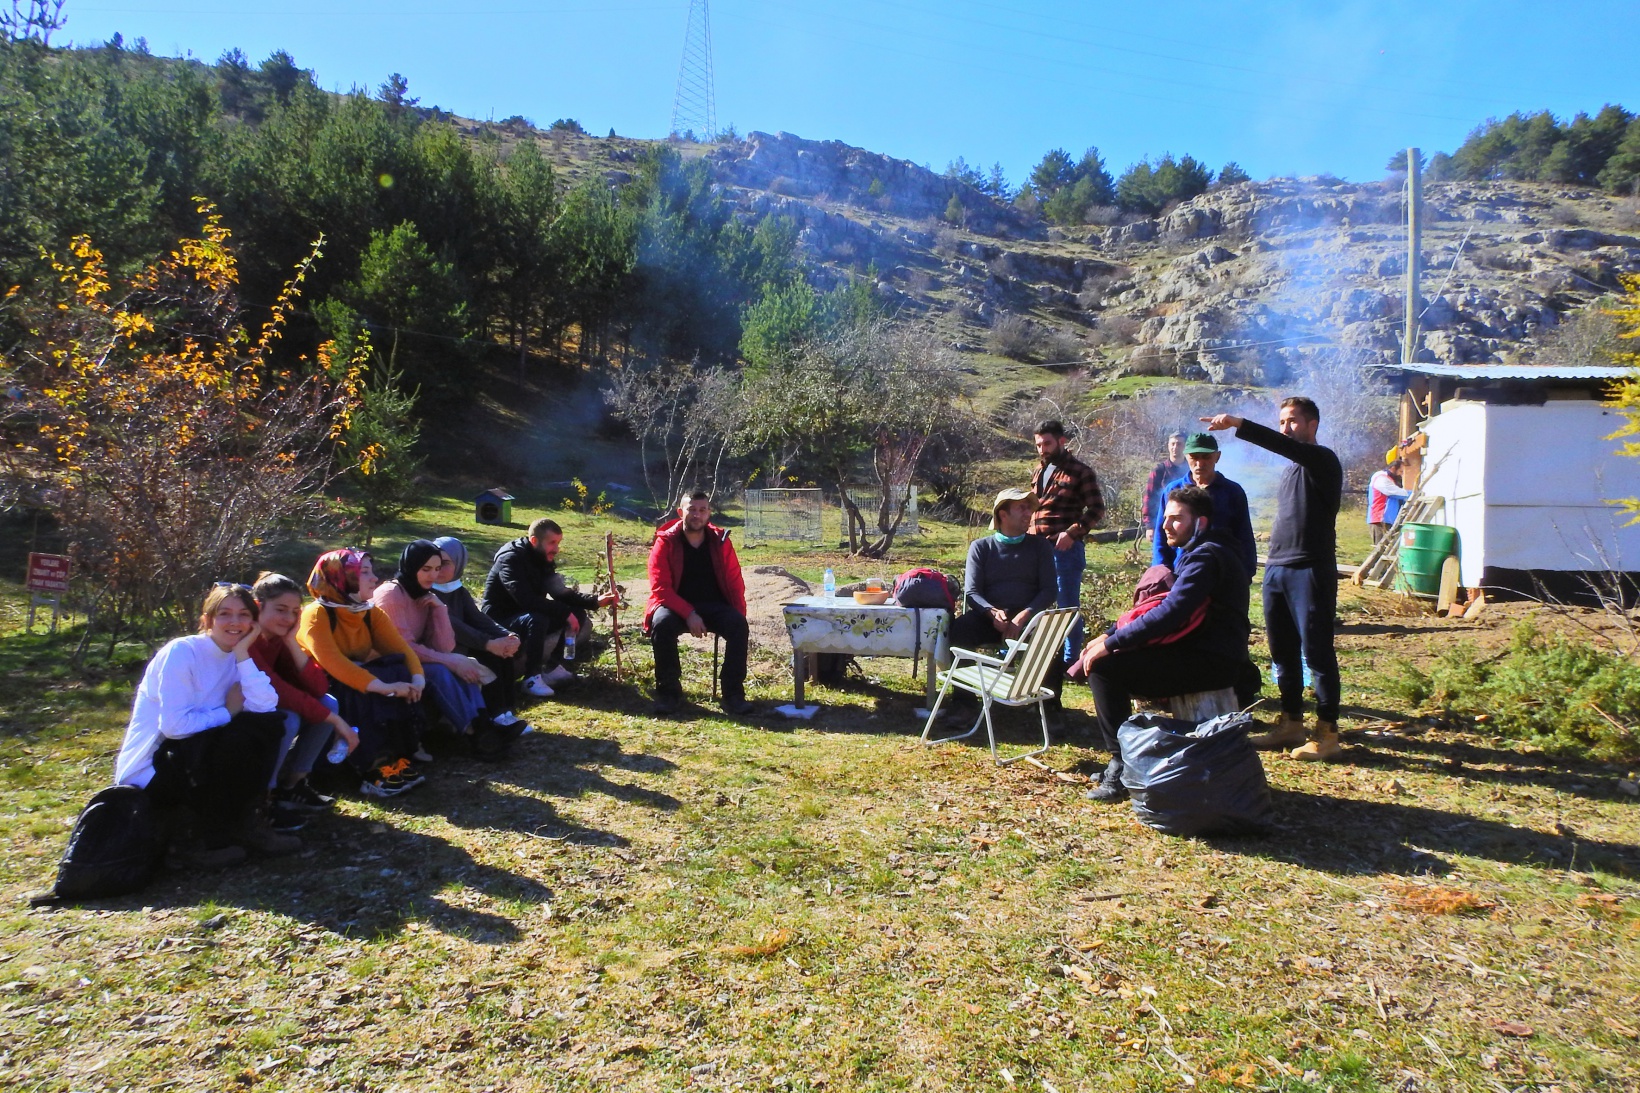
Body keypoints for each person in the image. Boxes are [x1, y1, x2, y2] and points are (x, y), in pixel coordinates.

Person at [1075, 486, 1252, 802]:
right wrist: (1113, 633)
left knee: (1104, 668)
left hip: (1213, 662)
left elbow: (1172, 612)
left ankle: (1120, 766)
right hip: (1203, 652)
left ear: (1200, 522)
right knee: (1113, 657)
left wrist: (1113, 644)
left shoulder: (1207, 557)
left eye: (1176, 519)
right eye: (1165, 518)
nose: (1166, 526)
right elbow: (1163, 607)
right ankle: (1126, 761)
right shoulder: (1207, 550)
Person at [114, 583, 299, 869]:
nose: (235, 622)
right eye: (225, 614)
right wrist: (227, 712)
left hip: (193, 754)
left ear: (253, 622)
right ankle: (189, 842)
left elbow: (266, 706)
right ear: (208, 619)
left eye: (243, 615)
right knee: (240, 734)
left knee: (268, 724)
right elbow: (174, 726)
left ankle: (246, 822)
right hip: (152, 768)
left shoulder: (236, 657)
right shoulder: (183, 652)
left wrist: (242, 654)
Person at [1201, 397, 1345, 761]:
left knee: (1316, 651)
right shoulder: (1291, 470)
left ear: (1312, 424)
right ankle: (1291, 722)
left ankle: (1327, 732)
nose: (1286, 428)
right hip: (1278, 568)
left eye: (1292, 421)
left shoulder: (1322, 459)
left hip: (1310, 568)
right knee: (1281, 651)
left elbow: (1281, 444)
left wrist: (1239, 423)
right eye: (1281, 421)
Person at [297, 548, 429, 797]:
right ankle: (368, 767)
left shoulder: (368, 612)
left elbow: (401, 649)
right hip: (323, 685)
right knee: (361, 691)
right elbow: (333, 664)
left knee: (398, 670)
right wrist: (384, 687)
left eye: (372, 571)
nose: (374, 579)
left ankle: (394, 756)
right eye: (364, 572)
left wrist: (417, 679)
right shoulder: (316, 614)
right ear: (341, 578)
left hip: (356, 678)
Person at [373, 540, 502, 754]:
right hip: (385, 664)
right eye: (426, 569)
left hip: (411, 661)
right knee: (442, 669)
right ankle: (473, 731)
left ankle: (483, 723)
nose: (432, 576)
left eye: (437, 569)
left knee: (465, 666)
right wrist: (450, 661)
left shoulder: (425, 596)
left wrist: (440, 609)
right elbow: (402, 648)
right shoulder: (391, 595)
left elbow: (444, 646)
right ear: (411, 567)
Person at [250, 572, 356, 820]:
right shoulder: (247, 639)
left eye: (295, 612)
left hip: (263, 705)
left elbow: (318, 688)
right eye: (281, 610)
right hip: (229, 713)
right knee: (288, 719)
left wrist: (291, 642)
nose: (288, 618)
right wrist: (336, 721)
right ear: (258, 607)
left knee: (327, 702)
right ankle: (264, 798)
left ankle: (293, 785)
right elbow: (275, 689)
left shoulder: (277, 637)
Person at [482, 517, 617, 699]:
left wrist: (594, 601)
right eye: (552, 543)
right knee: (539, 617)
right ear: (535, 541)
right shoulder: (511, 559)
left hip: (526, 615)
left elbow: (559, 592)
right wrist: (564, 612)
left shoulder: (541, 557)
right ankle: (531, 678)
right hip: (499, 621)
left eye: (558, 543)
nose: (556, 549)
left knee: (576, 613)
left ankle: (553, 669)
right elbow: (525, 599)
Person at [645, 489, 751, 717]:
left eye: (702, 510)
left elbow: (734, 582)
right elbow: (660, 588)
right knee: (661, 624)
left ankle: (733, 694)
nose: (697, 515)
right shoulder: (666, 542)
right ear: (680, 511)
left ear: (709, 513)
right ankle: (669, 693)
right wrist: (689, 613)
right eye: (691, 509)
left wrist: (739, 614)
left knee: (738, 625)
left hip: (714, 605)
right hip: (675, 606)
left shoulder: (720, 541)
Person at [430, 536, 528, 733]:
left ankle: (507, 710)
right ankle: (495, 713)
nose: (439, 569)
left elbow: (478, 618)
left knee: (502, 654)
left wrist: (508, 636)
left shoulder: (458, 591)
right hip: (441, 650)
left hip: (461, 645)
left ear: (458, 564)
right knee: (488, 655)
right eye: (435, 563)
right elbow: (453, 625)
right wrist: (488, 643)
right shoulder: (428, 593)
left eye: (446, 563)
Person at [1028, 419, 1106, 665]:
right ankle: (1038, 657)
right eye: (1039, 445)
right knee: (1035, 603)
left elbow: (1097, 509)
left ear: (1062, 441)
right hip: (1036, 547)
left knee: (1067, 607)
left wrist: (1072, 533)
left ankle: (1071, 662)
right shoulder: (1039, 472)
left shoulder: (1080, 472)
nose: (1043, 449)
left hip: (1064, 549)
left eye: (1047, 443)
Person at [948, 487, 1057, 655]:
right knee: (961, 629)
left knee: (1052, 637)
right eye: (1022, 508)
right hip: (990, 620)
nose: (1029, 513)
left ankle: (1040, 682)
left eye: (1029, 508)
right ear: (1003, 515)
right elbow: (972, 592)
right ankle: (963, 680)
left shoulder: (1040, 546)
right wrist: (992, 613)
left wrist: (1023, 617)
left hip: (1029, 620)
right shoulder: (981, 547)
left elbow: (1049, 590)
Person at [1151, 432, 1257, 580]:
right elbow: (1161, 537)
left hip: (1221, 574)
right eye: (1194, 457)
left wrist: (1245, 574)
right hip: (1179, 573)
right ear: (1186, 456)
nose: (1200, 464)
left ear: (1217, 457)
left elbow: (1244, 536)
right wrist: (1160, 574)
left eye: (1206, 457)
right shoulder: (1173, 490)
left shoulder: (1232, 492)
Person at [1141, 432, 1187, 540]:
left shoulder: (1191, 469)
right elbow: (1149, 498)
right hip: (1162, 524)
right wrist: (1149, 526)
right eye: (1172, 444)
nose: (1175, 447)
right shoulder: (1159, 471)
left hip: (1187, 525)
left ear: (1185, 446)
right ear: (1168, 445)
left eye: (1179, 444)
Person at [1368, 457, 1413, 543]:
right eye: (1400, 471)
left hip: (1388, 519)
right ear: (1393, 468)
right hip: (1380, 519)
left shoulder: (1389, 479)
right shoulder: (1381, 478)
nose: (1401, 474)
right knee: (1381, 549)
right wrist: (1413, 494)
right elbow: (1395, 492)